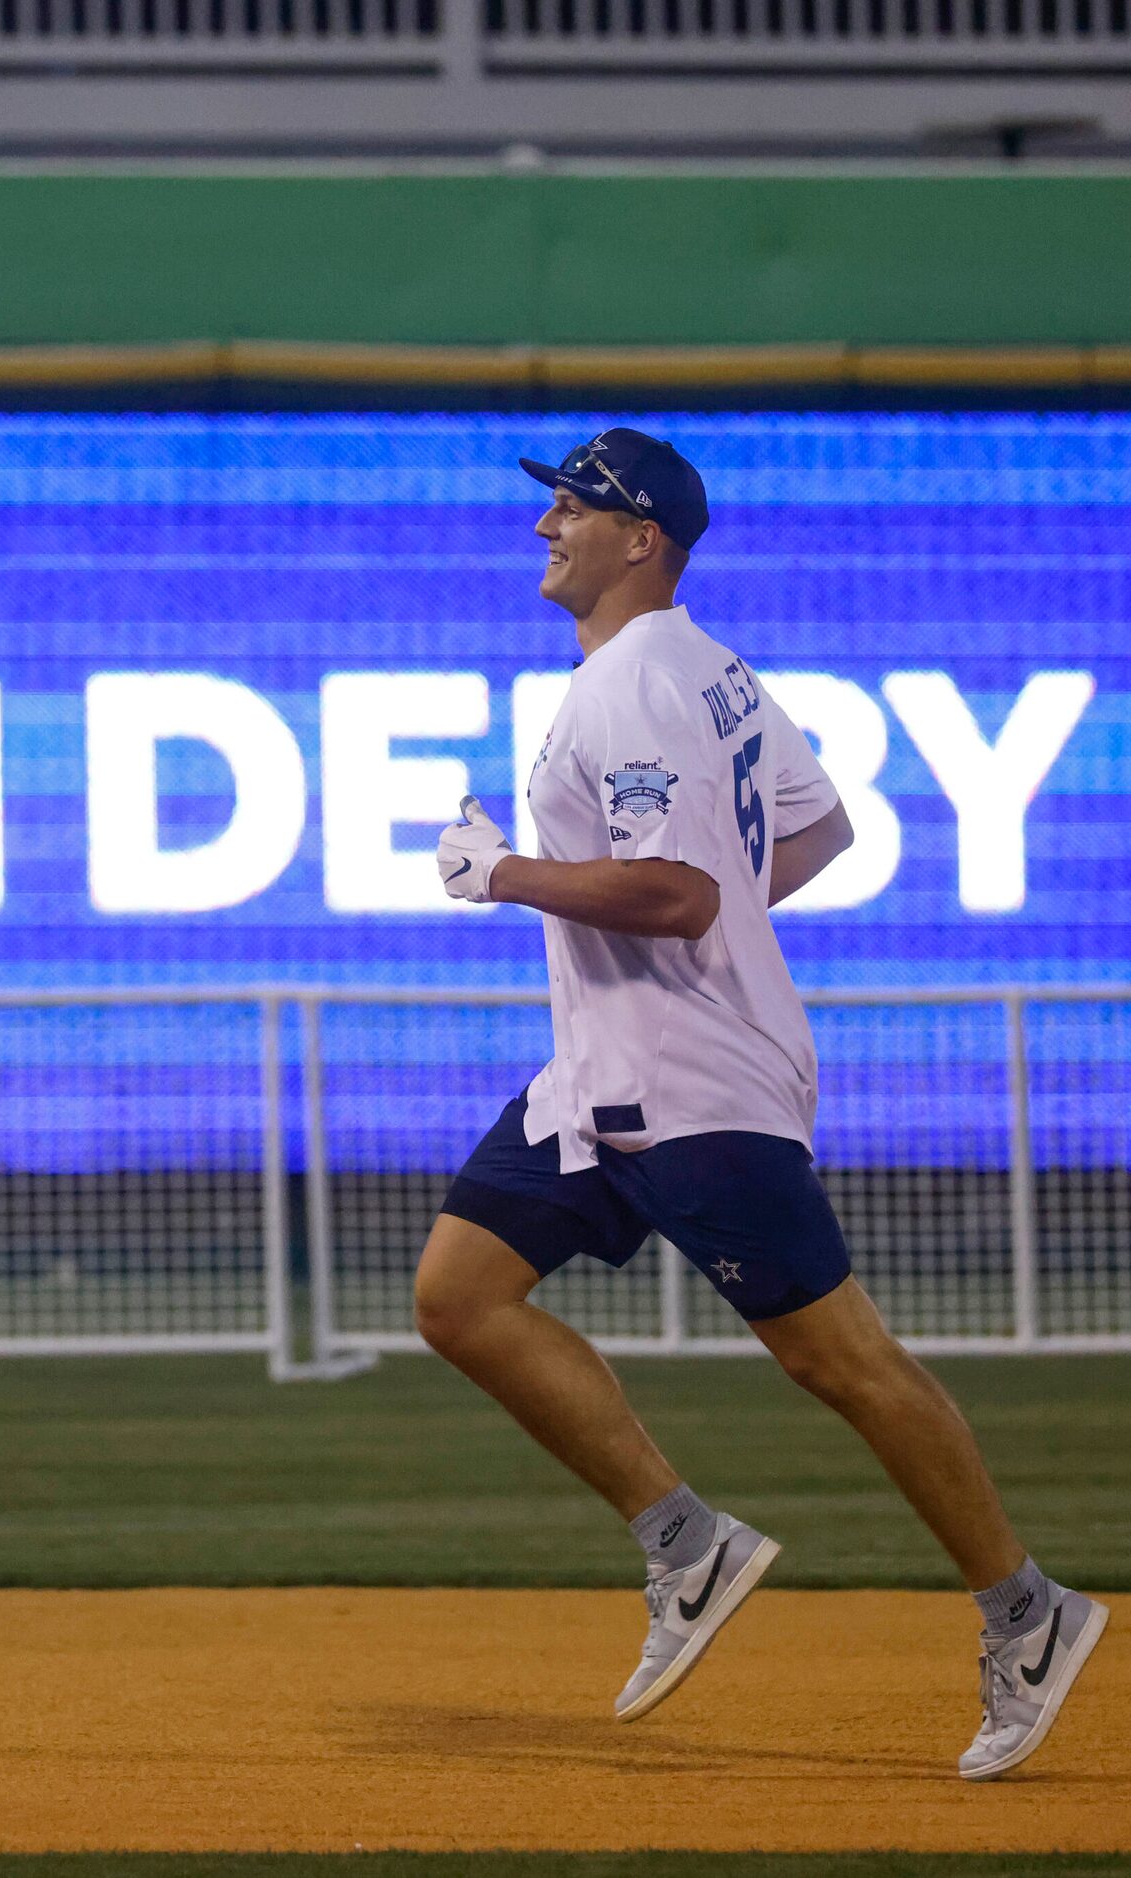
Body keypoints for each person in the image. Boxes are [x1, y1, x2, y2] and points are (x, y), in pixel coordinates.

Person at [422, 427, 1107, 1780]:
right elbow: (818, 828)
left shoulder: (633, 685)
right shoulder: (708, 670)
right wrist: (715, 914)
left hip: (694, 1083)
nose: (546, 523)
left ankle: (1029, 1612)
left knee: (837, 1360)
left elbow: (677, 895)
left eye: (576, 505)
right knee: (458, 1295)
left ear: (645, 539)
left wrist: (502, 872)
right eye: (554, 502)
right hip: (602, 1076)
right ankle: (687, 1540)